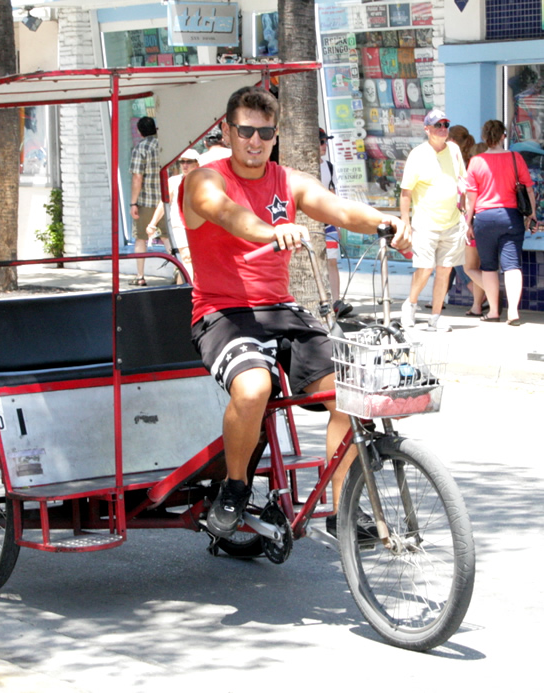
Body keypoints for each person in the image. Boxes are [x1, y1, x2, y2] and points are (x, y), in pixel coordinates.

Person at [179, 85, 411, 539]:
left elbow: (340, 209)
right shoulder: (205, 180)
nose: (255, 141)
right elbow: (227, 215)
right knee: (253, 388)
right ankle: (235, 486)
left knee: (351, 390)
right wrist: (271, 230)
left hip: (282, 311)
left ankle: (343, 509)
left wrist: (387, 221)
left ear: (275, 135)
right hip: (222, 314)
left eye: (265, 133)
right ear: (227, 130)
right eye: (245, 130)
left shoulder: (289, 180)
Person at [464, 119, 539, 326]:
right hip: (510, 217)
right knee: (512, 266)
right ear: (503, 136)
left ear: (485, 138)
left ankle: (495, 311)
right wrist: (531, 214)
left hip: (484, 219)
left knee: (488, 267)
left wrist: (468, 223)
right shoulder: (516, 158)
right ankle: (513, 313)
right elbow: (529, 188)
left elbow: (471, 198)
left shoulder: (476, 161)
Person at [399, 109, 467, 332]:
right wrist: (405, 223)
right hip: (426, 224)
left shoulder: (455, 150)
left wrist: (466, 214)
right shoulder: (418, 154)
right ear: (427, 129)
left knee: (445, 270)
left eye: (446, 124)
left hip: (452, 222)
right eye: (438, 125)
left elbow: (463, 182)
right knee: (425, 268)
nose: (443, 128)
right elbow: (406, 192)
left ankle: (435, 318)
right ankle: (410, 305)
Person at [447, 124, 487, 316]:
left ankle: (487, 292)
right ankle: (477, 305)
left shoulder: (457, 164)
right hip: (484, 217)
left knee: (463, 263)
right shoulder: (476, 159)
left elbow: (462, 196)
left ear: (452, 141)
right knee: (474, 265)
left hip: (465, 218)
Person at [129, 116, 171, 286]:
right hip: (165, 200)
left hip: (146, 200)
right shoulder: (164, 146)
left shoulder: (140, 148)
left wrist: (133, 202)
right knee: (168, 238)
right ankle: (180, 272)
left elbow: (137, 177)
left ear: (140, 132)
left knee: (141, 239)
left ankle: (140, 276)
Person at [149, 148, 200, 283]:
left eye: (189, 162)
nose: (184, 165)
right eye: (181, 162)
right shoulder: (173, 181)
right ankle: (187, 292)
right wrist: (152, 224)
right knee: (186, 258)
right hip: (179, 225)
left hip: (199, 226)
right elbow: (163, 204)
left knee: (193, 262)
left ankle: (183, 290)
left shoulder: (203, 181)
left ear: (197, 164)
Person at [319, 127, 352, 318]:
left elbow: (333, 195)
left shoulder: (329, 167)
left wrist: (337, 224)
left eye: (325, 142)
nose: (325, 146)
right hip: (310, 223)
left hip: (328, 222)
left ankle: (335, 301)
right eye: (322, 141)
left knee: (332, 261)